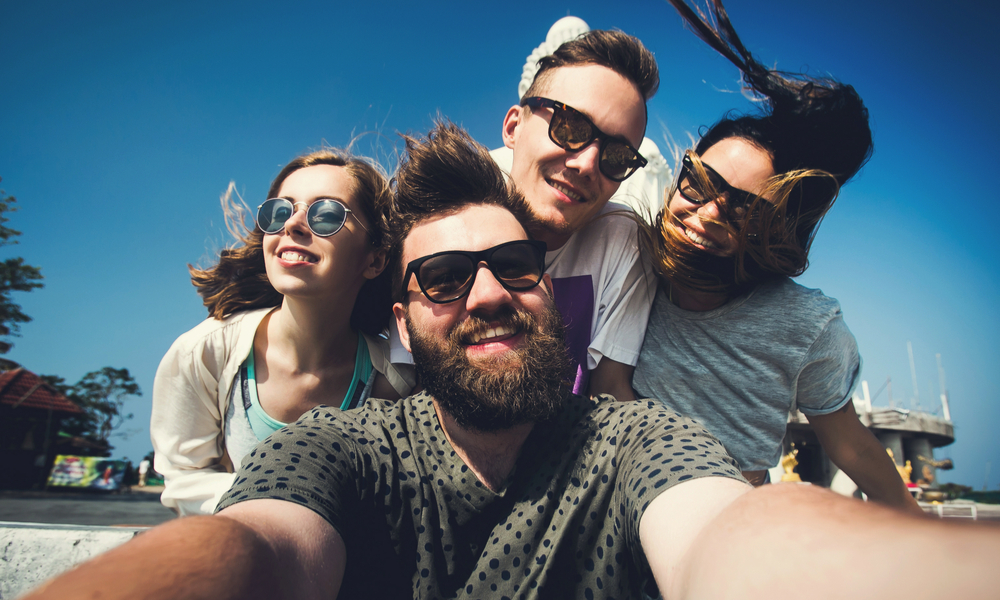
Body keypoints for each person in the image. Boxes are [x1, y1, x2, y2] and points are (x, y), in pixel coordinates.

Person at [23, 122, 998, 600]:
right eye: (443, 278)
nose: (486, 292)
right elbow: (258, 544)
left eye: (514, 267)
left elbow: (730, 532)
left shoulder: (629, 444)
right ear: (399, 324)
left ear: (556, 298)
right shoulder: (342, 450)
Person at [618, 0, 920, 512]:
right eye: (699, 182)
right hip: (619, 510)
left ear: (771, 230)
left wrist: (917, 527)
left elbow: (849, 442)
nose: (709, 214)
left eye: (741, 210)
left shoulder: (807, 325)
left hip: (729, 525)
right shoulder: (629, 265)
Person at [395, 29, 660, 397]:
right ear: (513, 126)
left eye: (617, 157)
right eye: (570, 127)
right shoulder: (445, 211)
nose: (586, 164)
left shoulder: (623, 238)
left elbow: (611, 391)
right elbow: (405, 386)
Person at [150, 148, 412, 516]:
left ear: (375, 259)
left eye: (327, 214)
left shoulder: (396, 384)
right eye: (279, 212)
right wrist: (284, 508)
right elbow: (184, 480)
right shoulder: (204, 354)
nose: (293, 225)